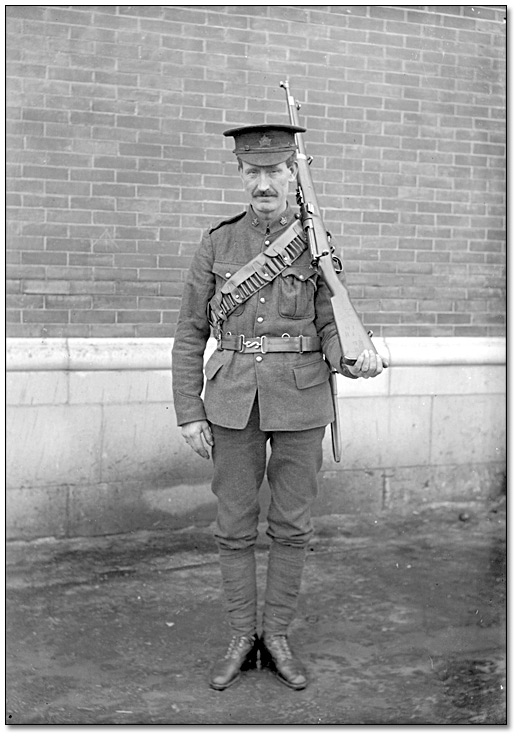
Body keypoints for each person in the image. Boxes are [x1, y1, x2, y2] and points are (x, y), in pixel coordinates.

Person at [171, 123, 385, 691]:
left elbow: (330, 323)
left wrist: (352, 359)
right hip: (232, 399)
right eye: (253, 171)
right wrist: (189, 410)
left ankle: (278, 635)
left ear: (294, 174)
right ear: (240, 175)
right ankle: (243, 635)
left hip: (301, 399)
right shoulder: (218, 243)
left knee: (292, 526)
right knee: (234, 526)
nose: (263, 182)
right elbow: (191, 333)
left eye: (274, 171)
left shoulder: (316, 243)